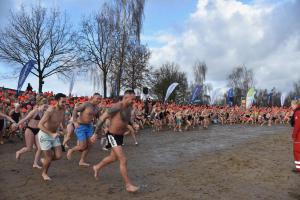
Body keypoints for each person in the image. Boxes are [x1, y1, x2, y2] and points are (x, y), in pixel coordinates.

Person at [91, 90, 139, 193]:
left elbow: (127, 119)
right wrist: (95, 133)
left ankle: (97, 167)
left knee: (113, 158)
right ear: (126, 98)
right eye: (132, 99)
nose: (134, 101)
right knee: (123, 160)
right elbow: (102, 118)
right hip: (112, 135)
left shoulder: (129, 107)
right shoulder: (117, 106)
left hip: (120, 136)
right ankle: (128, 185)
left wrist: (133, 124)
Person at [66, 93, 102, 166]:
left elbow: (99, 118)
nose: (99, 100)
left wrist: (101, 127)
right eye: (97, 98)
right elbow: (75, 110)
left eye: (100, 99)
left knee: (90, 145)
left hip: (89, 127)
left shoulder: (97, 108)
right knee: (82, 146)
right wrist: (75, 121)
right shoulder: (86, 104)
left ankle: (82, 161)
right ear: (93, 98)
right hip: (80, 126)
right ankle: (71, 150)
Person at [38, 93, 67, 181]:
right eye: (63, 102)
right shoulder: (50, 110)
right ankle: (44, 173)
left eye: (65, 102)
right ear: (57, 101)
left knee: (58, 156)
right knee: (49, 157)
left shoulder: (63, 110)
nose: (64, 104)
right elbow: (40, 125)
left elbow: (63, 123)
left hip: (54, 134)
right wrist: (51, 134)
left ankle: (45, 160)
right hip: (45, 134)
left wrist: (65, 130)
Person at [16, 98, 48, 169]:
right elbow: (25, 119)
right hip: (30, 129)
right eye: (44, 106)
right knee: (29, 148)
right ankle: (19, 152)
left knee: (40, 148)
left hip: (38, 130)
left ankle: (35, 163)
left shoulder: (43, 112)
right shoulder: (34, 111)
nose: (45, 108)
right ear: (40, 105)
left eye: (46, 107)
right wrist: (17, 124)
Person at [291, 100, 300, 172]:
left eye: (292, 105)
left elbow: (297, 125)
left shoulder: (297, 112)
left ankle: (298, 168)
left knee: (296, 151)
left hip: (299, 136)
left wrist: (294, 135)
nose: (291, 106)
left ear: (295, 105)